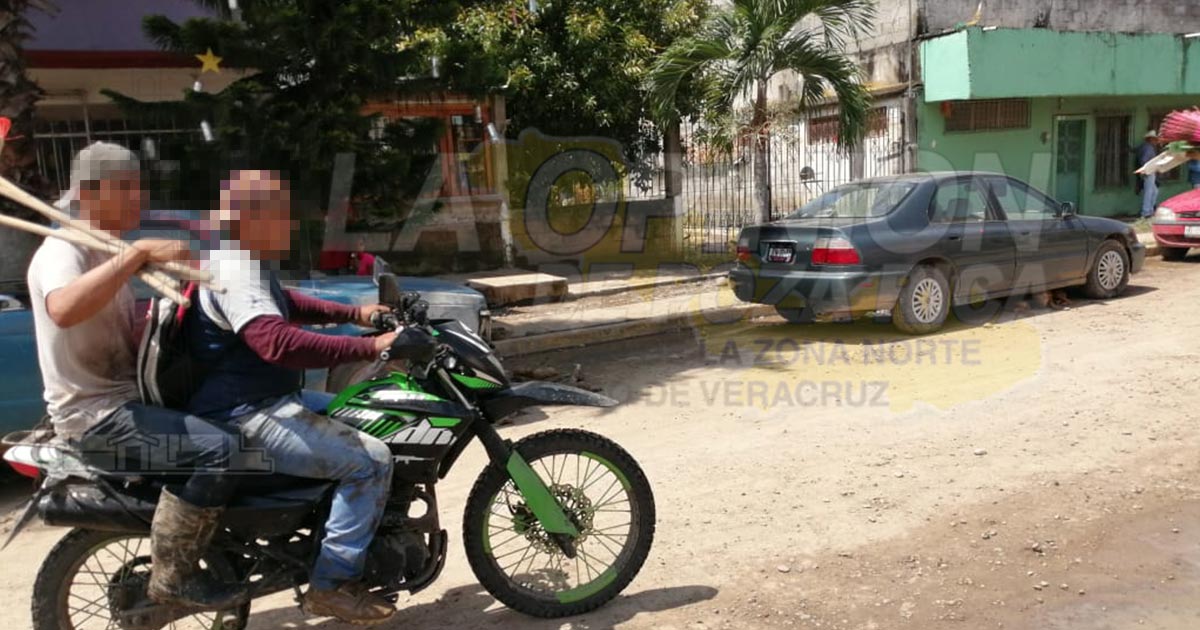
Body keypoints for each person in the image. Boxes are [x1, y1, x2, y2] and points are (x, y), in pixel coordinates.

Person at [186, 169, 420, 624]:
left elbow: (287, 302)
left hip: (262, 402)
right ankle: (331, 584)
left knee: (368, 415)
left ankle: (338, 534)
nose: (291, 225)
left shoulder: (241, 259)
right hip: (247, 414)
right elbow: (278, 342)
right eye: (282, 214)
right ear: (253, 217)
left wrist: (357, 312)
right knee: (369, 460)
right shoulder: (235, 268)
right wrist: (371, 345)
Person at [26, 142, 247, 609]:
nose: (139, 199)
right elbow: (63, 309)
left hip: (128, 400)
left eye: (139, 187)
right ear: (88, 194)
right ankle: (175, 574)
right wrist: (137, 254)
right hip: (96, 418)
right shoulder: (62, 250)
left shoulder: (105, 251)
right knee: (221, 450)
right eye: (125, 188)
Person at [1136, 130, 1161, 218]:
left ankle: (1149, 210)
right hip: (1148, 171)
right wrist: (1147, 170)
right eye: (1155, 139)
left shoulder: (1145, 147)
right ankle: (1146, 212)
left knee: (1154, 191)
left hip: (1148, 171)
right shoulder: (1148, 148)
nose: (1156, 141)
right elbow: (1144, 160)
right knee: (1149, 191)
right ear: (1151, 139)